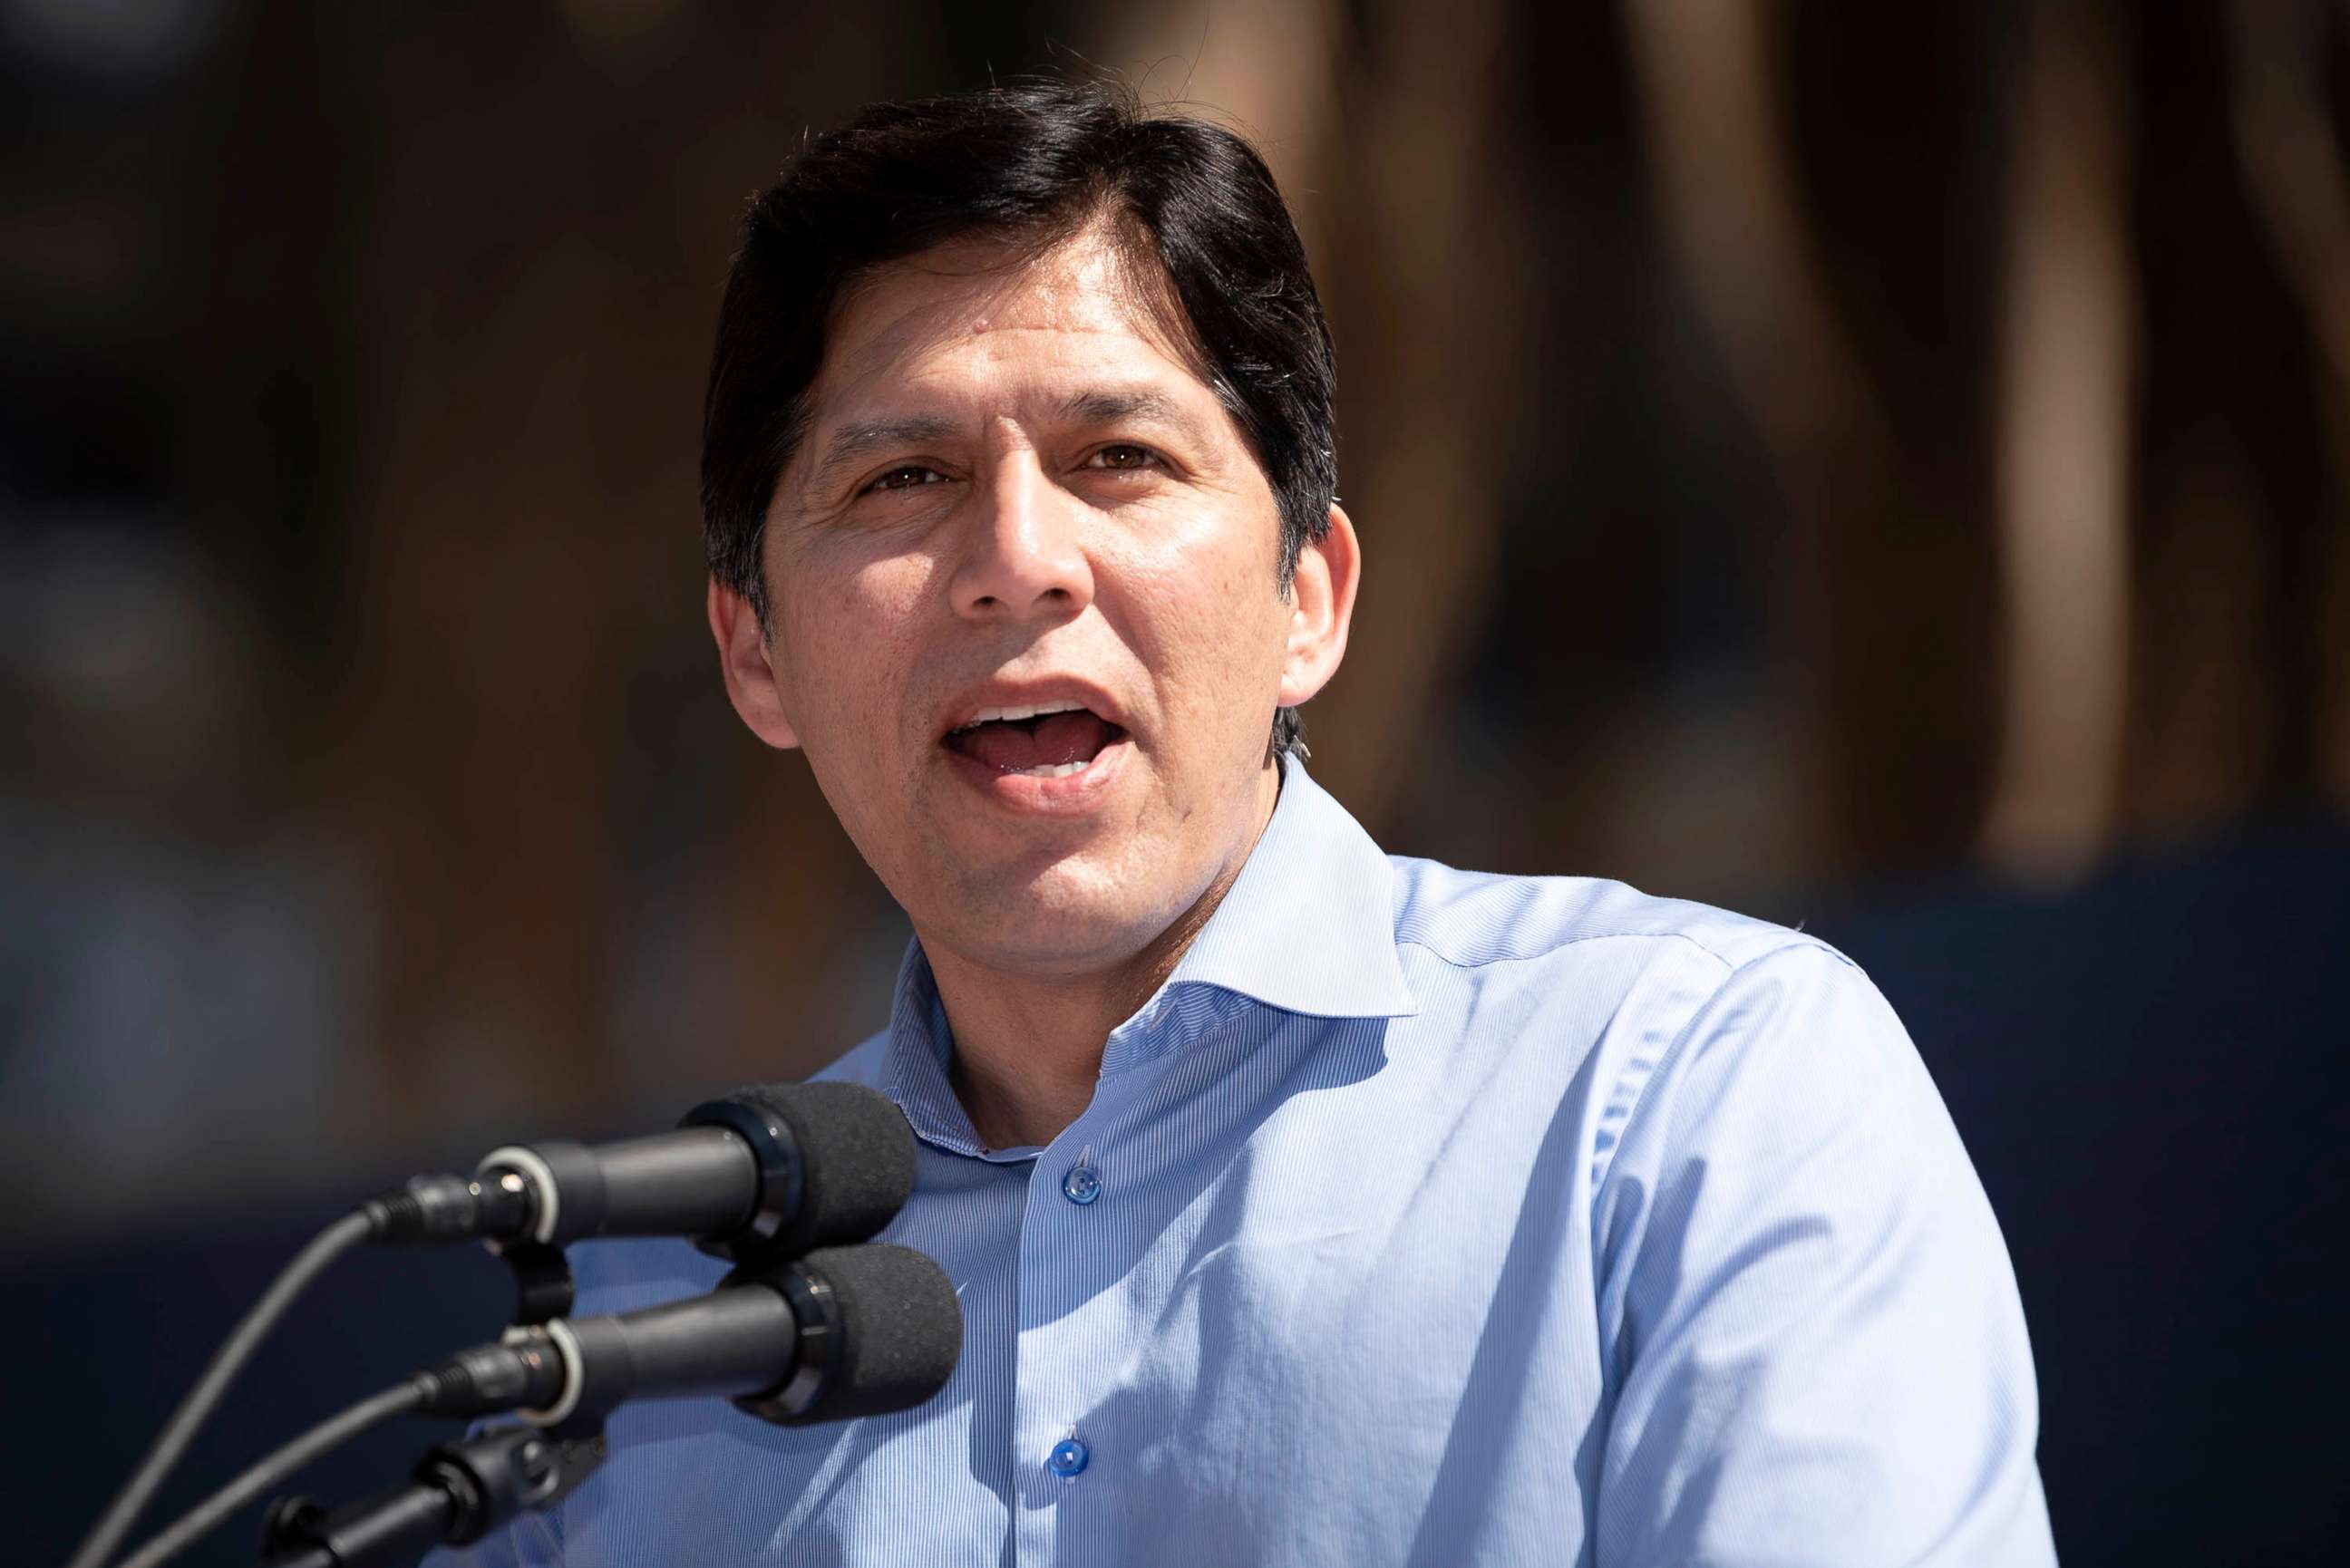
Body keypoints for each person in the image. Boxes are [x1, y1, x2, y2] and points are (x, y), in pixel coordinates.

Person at [446, 78, 2056, 1565]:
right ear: (753, 650)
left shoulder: (1694, 1099)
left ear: (1311, 597)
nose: (1020, 557)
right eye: (904, 479)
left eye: (1120, 456)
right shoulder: (648, 1329)